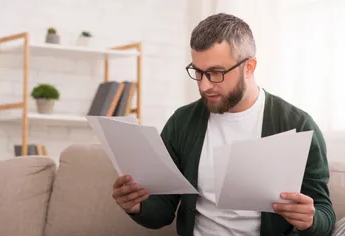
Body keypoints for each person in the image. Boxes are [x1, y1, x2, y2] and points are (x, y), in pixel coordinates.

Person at [111, 13, 336, 236]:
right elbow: (162, 211)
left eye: (216, 73)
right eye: (198, 72)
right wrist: (137, 206)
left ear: (249, 67)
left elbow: (325, 214)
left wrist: (310, 220)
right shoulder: (182, 121)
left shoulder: (297, 125)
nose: (205, 85)